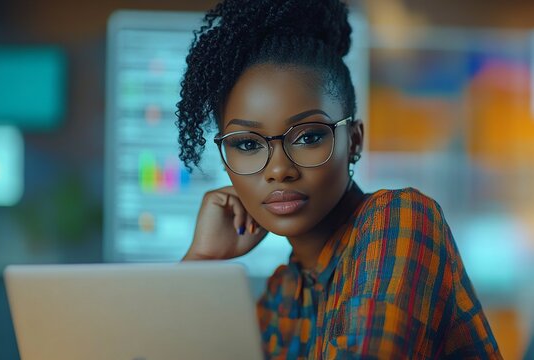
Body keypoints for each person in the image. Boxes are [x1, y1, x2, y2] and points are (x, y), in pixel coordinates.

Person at [176, 0, 502, 358]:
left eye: (309, 136)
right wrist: (202, 262)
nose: (279, 169)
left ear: (354, 141)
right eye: (247, 144)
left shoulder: (401, 218)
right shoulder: (283, 296)